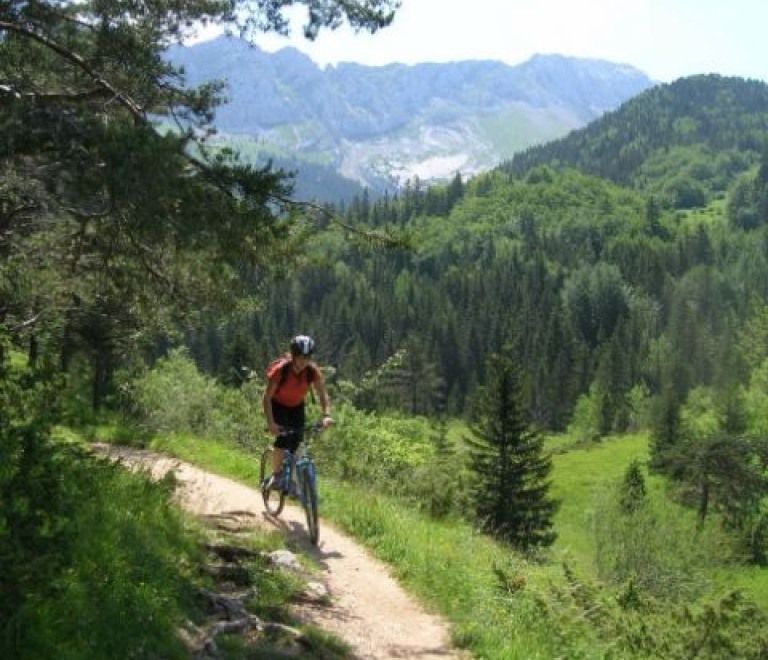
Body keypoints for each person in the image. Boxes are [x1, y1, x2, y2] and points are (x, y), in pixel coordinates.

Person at [261, 334, 333, 490]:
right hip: (277, 404)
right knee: (282, 439)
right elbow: (267, 398)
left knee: (297, 443)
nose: (304, 362)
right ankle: (276, 475)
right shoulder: (281, 371)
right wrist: (271, 423)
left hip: (296, 406)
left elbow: (322, 394)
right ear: (293, 356)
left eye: (307, 358)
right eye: (300, 358)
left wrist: (326, 415)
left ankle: (292, 482)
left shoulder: (312, 372)